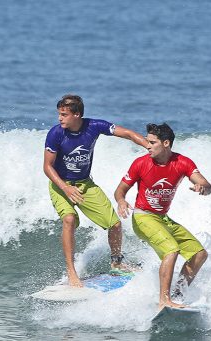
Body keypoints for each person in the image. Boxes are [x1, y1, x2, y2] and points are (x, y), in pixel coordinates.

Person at [43, 94, 148, 287]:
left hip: (85, 184)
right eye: (59, 114)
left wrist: (148, 146)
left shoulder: (94, 126)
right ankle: (71, 272)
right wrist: (65, 188)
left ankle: (116, 263)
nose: (60, 118)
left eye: (64, 114)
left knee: (115, 224)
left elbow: (126, 133)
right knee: (69, 220)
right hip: (61, 185)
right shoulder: (56, 133)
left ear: (77, 114)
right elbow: (47, 167)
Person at [114, 122, 211, 310]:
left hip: (163, 218)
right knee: (171, 250)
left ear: (166, 143)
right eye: (147, 142)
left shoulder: (183, 162)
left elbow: (207, 185)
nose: (147, 146)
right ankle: (164, 300)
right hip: (143, 217)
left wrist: (203, 188)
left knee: (199, 254)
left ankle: (178, 294)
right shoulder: (140, 163)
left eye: (152, 142)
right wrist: (121, 201)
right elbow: (120, 191)